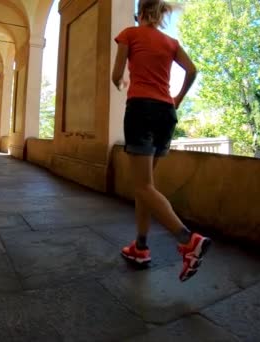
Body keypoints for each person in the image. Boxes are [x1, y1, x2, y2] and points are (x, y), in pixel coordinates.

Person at [112, 0, 212, 282]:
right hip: (166, 113)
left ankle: (188, 240)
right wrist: (176, 100)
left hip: (141, 110)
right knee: (147, 186)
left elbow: (116, 76)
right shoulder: (171, 42)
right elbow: (192, 71)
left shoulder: (129, 34)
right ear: (160, 14)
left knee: (143, 186)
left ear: (139, 13)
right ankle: (141, 248)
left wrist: (123, 84)